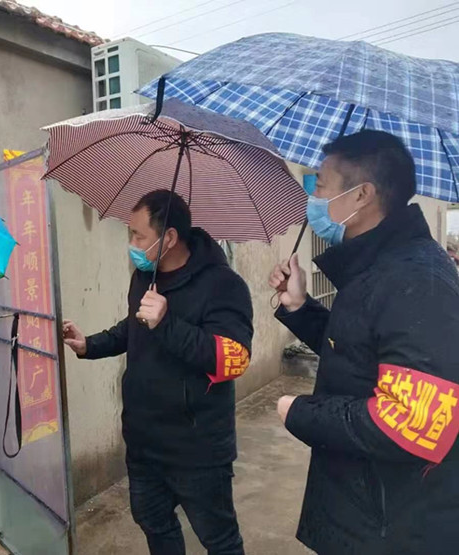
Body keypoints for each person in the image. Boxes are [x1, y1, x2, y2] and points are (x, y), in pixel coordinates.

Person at [269, 130, 459, 555]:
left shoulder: (418, 280)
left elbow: (414, 421)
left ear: (361, 195)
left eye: (320, 185)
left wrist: (301, 412)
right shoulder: (380, 266)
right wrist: (299, 307)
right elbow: (357, 354)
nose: (313, 197)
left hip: (389, 526)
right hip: (360, 507)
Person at [64, 190, 253, 555]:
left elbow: (234, 358)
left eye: (139, 236)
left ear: (169, 238)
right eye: (130, 235)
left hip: (196, 450)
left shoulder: (222, 285)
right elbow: (134, 327)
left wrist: (167, 323)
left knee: (219, 541)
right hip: (143, 442)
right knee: (154, 525)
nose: (132, 245)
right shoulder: (145, 276)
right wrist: (90, 345)